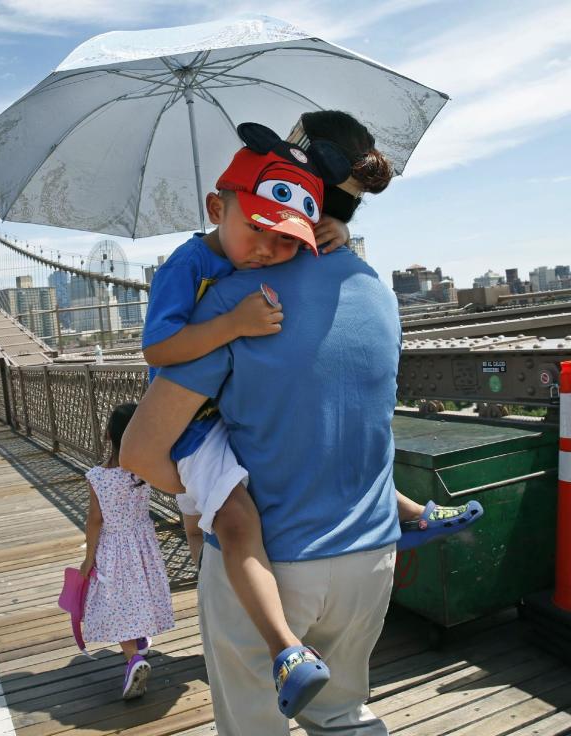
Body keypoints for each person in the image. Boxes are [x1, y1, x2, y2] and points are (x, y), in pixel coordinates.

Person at [119, 112, 402, 734]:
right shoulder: (378, 290)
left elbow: (139, 455)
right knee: (346, 715)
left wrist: (210, 497)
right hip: (373, 555)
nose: (266, 247)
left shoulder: (238, 300)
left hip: (274, 564)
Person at [139, 124, 339, 718]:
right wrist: (233, 323)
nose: (268, 252)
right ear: (214, 208)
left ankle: (404, 511)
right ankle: (287, 650)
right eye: (257, 229)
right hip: (192, 425)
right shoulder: (187, 262)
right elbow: (159, 348)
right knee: (236, 521)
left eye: (286, 242)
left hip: (231, 411)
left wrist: (338, 234)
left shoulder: (248, 254)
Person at [285, 110, 483, 551]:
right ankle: (405, 512)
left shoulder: (248, 280)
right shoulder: (377, 292)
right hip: (362, 543)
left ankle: (407, 512)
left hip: (285, 534)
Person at [79, 403, 174, 700]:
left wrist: (88, 558)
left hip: (113, 545)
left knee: (116, 600)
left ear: (108, 435)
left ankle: (133, 657)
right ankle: (142, 639)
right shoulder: (144, 468)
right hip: (143, 542)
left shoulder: (98, 476)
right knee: (139, 591)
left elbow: (95, 519)